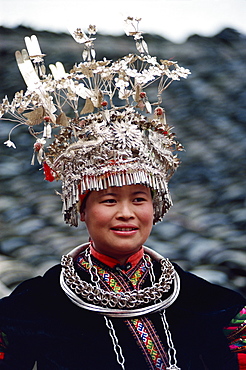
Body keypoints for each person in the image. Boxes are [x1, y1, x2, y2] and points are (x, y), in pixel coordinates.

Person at [0, 17, 245, 370]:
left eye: (139, 199)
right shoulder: (31, 310)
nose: (126, 213)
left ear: (156, 206)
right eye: (109, 199)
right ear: (81, 209)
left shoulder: (215, 307)